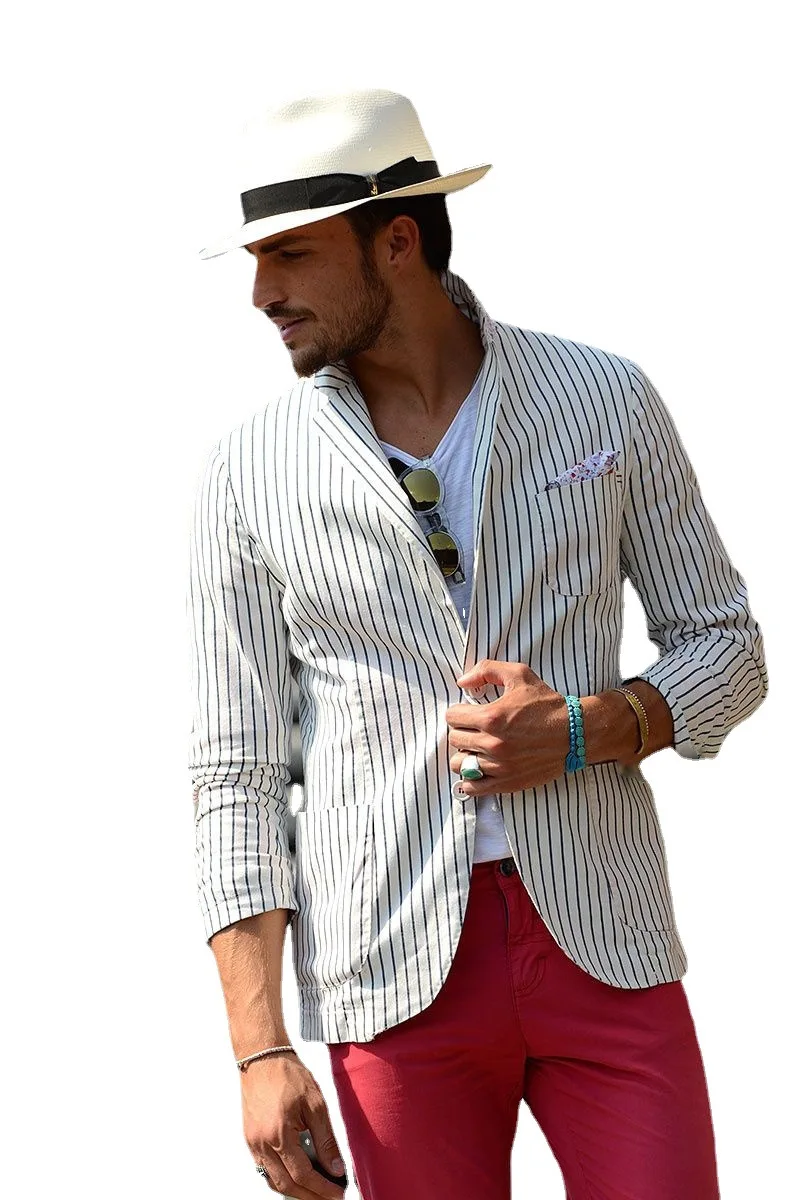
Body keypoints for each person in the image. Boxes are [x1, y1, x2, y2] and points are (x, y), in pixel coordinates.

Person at [187, 88, 768, 1200]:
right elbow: (236, 773)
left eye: (292, 255)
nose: (263, 294)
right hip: (389, 975)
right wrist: (259, 1050)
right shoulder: (246, 472)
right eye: (257, 261)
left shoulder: (603, 399)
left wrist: (594, 728)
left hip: (605, 936)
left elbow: (725, 646)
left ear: (396, 240)